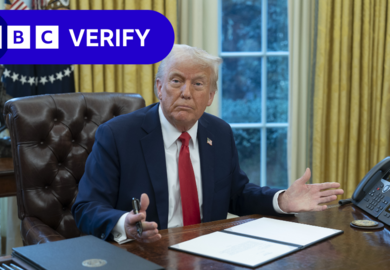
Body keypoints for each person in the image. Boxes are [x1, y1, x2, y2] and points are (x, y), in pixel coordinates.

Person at [71, 44, 344, 244]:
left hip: (209, 254)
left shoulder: (220, 132)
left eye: (198, 84)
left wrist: (281, 200)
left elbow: (237, 195)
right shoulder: (117, 135)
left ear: (211, 95)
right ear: (159, 87)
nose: (186, 93)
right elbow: (86, 207)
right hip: (144, 255)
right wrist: (125, 225)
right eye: (176, 81)